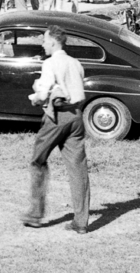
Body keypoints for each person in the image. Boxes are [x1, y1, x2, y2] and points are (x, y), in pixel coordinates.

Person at [20, 27, 90, 234]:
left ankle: (35, 214)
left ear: (53, 42)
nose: (43, 44)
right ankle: (81, 222)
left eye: (45, 41)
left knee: (38, 161)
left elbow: (43, 95)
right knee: (78, 168)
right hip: (77, 116)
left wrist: (34, 95)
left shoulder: (50, 63)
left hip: (57, 117)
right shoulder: (75, 63)